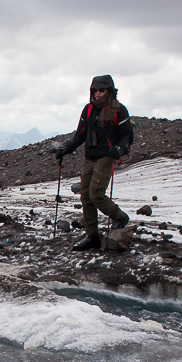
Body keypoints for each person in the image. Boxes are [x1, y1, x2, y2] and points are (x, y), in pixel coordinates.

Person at [56, 75, 135, 251]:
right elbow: (81, 134)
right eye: (95, 90)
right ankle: (92, 236)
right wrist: (67, 148)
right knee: (85, 196)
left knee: (96, 194)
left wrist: (120, 149)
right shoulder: (88, 109)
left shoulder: (119, 110)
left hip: (107, 156)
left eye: (101, 90)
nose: (97, 93)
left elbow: (127, 135)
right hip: (89, 157)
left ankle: (120, 217)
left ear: (110, 91)